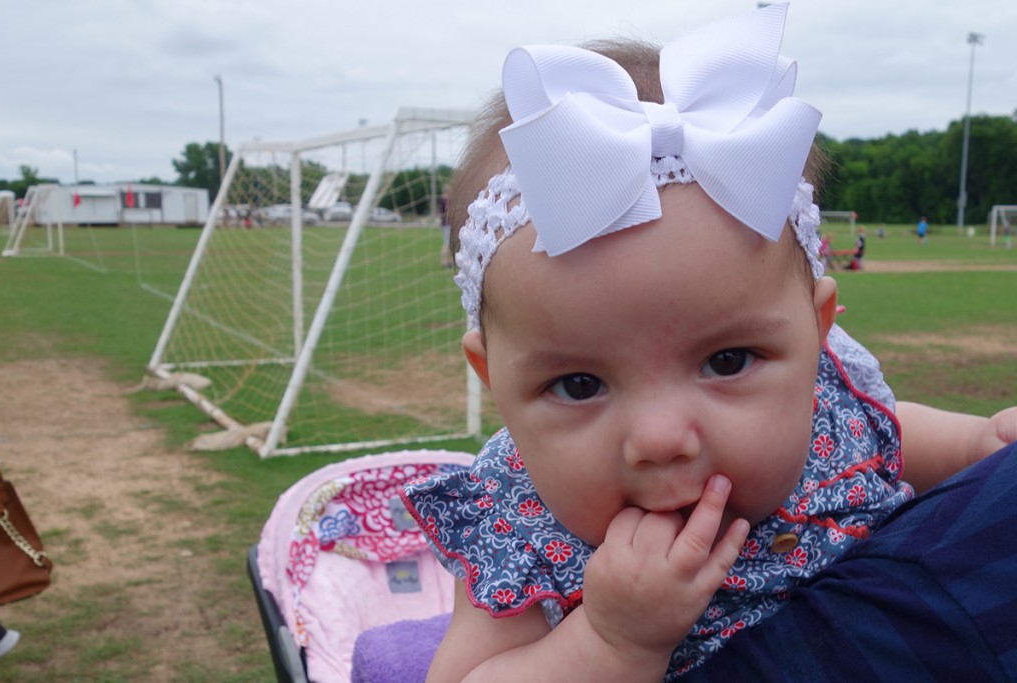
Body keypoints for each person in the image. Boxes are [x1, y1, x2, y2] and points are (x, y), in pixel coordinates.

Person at [401, 5, 1017, 681]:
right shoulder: (518, 523)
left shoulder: (832, 412)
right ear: (495, 383)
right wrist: (610, 642)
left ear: (817, 335)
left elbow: (900, 434)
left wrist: (980, 445)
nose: (663, 437)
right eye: (579, 384)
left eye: (727, 361)